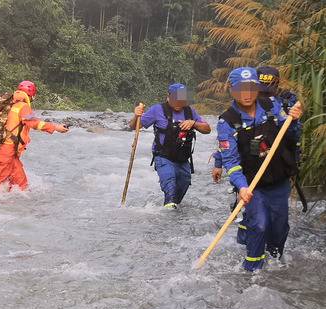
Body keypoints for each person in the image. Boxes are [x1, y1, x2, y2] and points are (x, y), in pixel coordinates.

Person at [216, 67, 302, 271]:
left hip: (278, 180)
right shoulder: (226, 122)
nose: (246, 94)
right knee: (260, 225)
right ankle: (251, 272)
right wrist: (242, 187)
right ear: (231, 90)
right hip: (252, 186)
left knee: (279, 228)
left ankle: (274, 270)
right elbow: (231, 160)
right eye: (240, 89)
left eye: (251, 88)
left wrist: (295, 120)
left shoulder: (272, 106)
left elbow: (291, 135)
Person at [129, 83, 211, 209]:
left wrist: (193, 123)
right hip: (163, 156)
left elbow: (207, 129)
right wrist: (136, 115)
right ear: (168, 97)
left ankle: (170, 210)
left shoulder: (190, 112)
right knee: (170, 184)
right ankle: (168, 212)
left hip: (183, 159)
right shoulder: (157, 110)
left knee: (181, 189)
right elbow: (134, 126)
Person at [0, 81, 69, 192]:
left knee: (21, 185)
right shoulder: (23, 107)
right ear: (32, 94)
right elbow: (33, 123)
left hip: (7, 151)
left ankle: (10, 206)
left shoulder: (11, 104)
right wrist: (55, 127)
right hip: (6, 151)